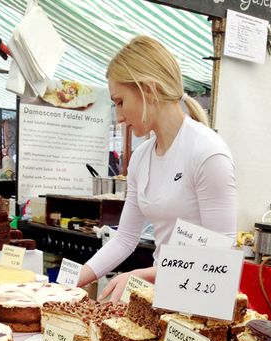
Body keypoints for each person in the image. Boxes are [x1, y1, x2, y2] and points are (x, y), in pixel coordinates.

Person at [77, 36, 237, 301]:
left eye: (120, 102)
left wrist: (146, 274)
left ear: (148, 90)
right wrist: (67, 283)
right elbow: (125, 239)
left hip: (204, 303)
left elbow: (223, 255)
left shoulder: (207, 153)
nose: (117, 116)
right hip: (164, 297)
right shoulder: (141, 157)